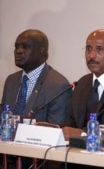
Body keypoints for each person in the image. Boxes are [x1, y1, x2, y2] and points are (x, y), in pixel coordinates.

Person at [1, 29, 72, 168]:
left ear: (42, 51)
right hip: (5, 156)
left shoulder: (58, 85)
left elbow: (56, 134)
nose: (19, 51)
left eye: (25, 47)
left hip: (36, 162)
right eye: (17, 47)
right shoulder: (11, 81)